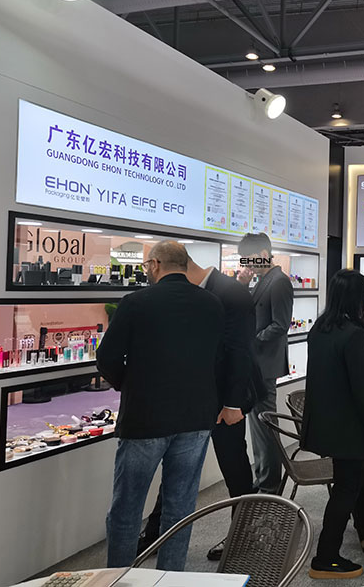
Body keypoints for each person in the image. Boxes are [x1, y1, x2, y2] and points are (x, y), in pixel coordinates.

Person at [97, 241, 224, 571]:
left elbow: (107, 357)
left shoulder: (136, 302)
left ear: (154, 265)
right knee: (180, 508)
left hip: (145, 417)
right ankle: (170, 576)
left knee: (127, 507)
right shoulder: (211, 303)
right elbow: (218, 358)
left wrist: (128, 383)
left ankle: (119, 576)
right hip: (196, 417)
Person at [138, 255, 264, 561]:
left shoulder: (230, 292)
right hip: (191, 396)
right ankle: (156, 532)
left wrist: (232, 402)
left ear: (161, 264)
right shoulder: (185, 292)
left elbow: (241, 351)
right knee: (176, 465)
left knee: (234, 467)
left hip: (225, 401)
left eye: (148, 267)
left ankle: (243, 535)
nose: (150, 275)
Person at [301, 270, 364, 579]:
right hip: (349, 426)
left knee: (357, 479)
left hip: (326, 422)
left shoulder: (320, 328)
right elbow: (362, 390)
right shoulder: (353, 334)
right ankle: (325, 557)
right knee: (346, 488)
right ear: (358, 298)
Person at [237, 232, 294, 494]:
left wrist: (252, 339)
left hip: (265, 364)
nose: (246, 264)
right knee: (259, 427)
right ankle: (264, 478)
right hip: (257, 363)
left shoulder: (279, 281)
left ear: (262, 254)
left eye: (248, 259)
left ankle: (270, 484)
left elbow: (280, 325)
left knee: (265, 427)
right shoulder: (263, 280)